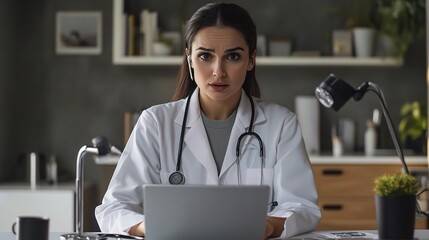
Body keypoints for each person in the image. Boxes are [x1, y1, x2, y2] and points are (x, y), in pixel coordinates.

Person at [95, 2, 320, 239]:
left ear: (251, 60)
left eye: (233, 56)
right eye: (205, 56)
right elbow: (114, 208)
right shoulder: (155, 123)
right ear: (189, 59)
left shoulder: (281, 124)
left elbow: (302, 207)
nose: (218, 71)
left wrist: (267, 226)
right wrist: (148, 226)